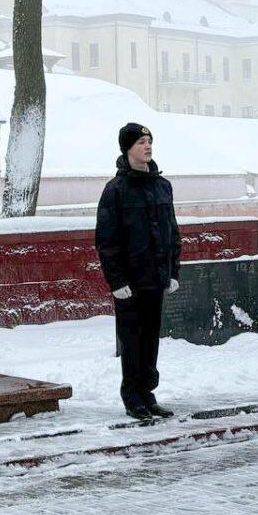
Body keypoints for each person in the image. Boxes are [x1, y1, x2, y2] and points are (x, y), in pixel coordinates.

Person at [95, 123, 181, 422]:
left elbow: (172, 233)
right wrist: (116, 281)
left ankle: (147, 394)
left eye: (150, 141)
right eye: (142, 142)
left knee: (151, 340)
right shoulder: (115, 190)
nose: (148, 146)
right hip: (130, 283)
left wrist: (173, 272)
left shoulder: (162, 186)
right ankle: (133, 398)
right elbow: (107, 240)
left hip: (156, 278)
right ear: (127, 148)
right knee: (132, 342)